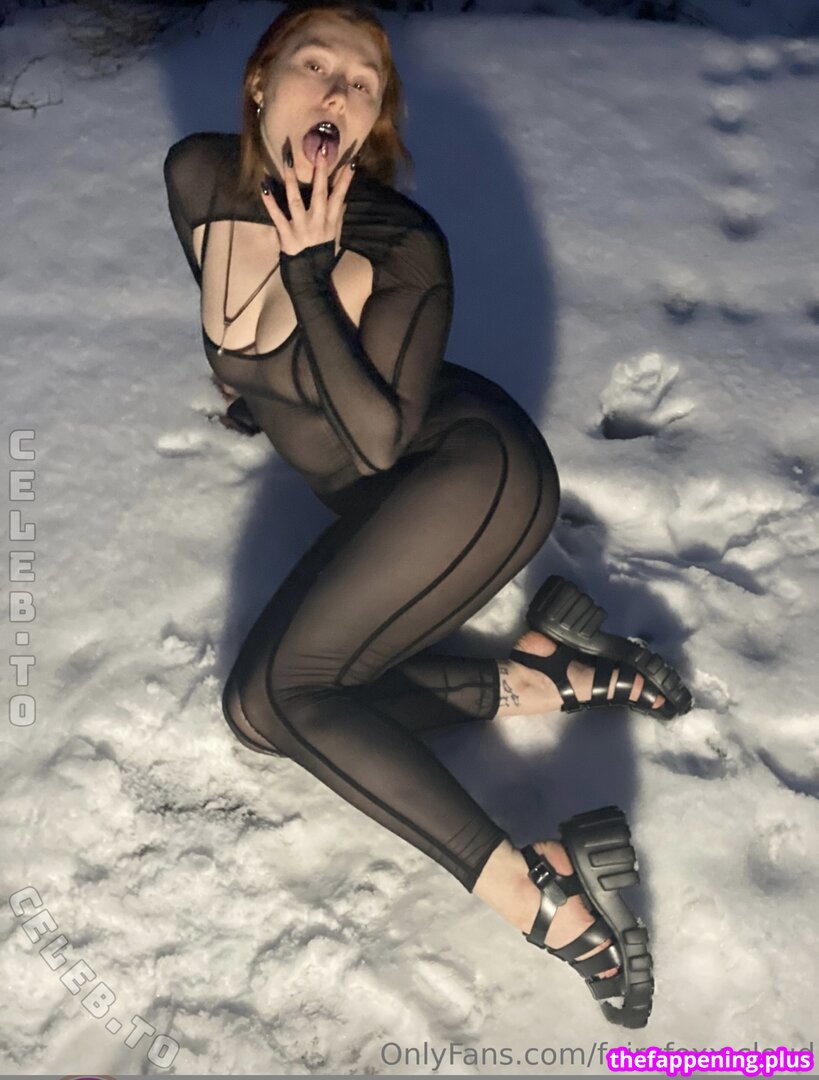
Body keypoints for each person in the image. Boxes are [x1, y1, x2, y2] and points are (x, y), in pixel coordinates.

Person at [162, 0, 692, 1027]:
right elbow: (231, 323)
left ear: (371, 124)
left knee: (286, 696)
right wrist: (250, 392)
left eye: (361, 84)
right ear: (262, 82)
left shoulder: (400, 245)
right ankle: (542, 676)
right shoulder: (198, 175)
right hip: (385, 504)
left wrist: (310, 273)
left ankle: (540, 894)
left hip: (470, 480)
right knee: (265, 719)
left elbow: (374, 442)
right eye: (316, 64)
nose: (336, 89)